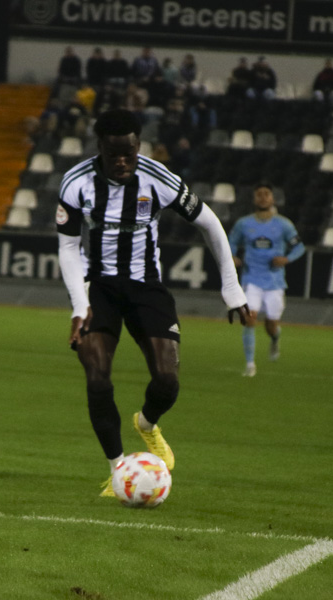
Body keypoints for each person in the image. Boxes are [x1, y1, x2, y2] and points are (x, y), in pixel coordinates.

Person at [56, 109, 249, 498]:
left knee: (167, 380)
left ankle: (146, 424)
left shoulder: (158, 178)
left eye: (130, 151)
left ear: (139, 145)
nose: (123, 161)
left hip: (147, 286)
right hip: (101, 287)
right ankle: (118, 470)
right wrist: (80, 306)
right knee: (96, 373)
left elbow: (209, 223)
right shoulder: (76, 183)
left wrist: (231, 287)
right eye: (114, 154)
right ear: (100, 149)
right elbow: (68, 247)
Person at [229, 184, 305, 377]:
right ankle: (250, 364)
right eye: (259, 195)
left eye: (266, 194)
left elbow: (299, 247)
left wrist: (286, 259)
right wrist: (232, 257)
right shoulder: (244, 224)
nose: (263, 198)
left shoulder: (283, 224)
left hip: (274, 281)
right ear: (254, 199)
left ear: (272, 199)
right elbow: (230, 242)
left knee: (271, 324)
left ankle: (274, 339)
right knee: (248, 318)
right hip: (251, 278)